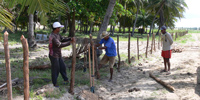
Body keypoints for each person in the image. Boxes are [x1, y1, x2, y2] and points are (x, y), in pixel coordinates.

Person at [48, 22, 75, 87]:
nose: (60, 29)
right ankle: (54, 83)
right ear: (56, 28)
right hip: (54, 55)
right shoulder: (52, 36)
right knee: (55, 70)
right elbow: (59, 45)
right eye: (59, 27)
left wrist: (70, 38)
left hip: (58, 54)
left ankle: (66, 80)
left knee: (62, 67)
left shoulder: (57, 34)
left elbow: (62, 39)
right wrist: (70, 43)